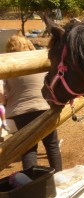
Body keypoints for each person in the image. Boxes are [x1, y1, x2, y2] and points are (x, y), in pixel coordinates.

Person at [1, 35, 62, 172]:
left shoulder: (8, 65)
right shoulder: (40, 62)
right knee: (52, 145)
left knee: (28, 149)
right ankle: (58, 177)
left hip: (20, 111)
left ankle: (33, 182)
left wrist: (5, 102)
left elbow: (1, 93)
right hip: (45, 106)